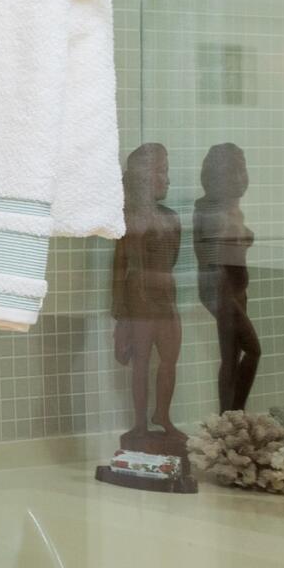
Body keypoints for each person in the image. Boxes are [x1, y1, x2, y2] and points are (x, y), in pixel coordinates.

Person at [109, 142, 184, 449]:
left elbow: (172, 259)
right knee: (140, 361)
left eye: (166, 171)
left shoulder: (171, 218)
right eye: (162, 172)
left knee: (170, 358)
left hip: (166, 296)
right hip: (139, 297)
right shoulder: (129, 218)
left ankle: (162, 415)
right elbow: (119, 265)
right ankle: (139, 423)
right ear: (144, 177)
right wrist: (120, 312)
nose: (168, 180)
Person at [193, 142, 260, 414]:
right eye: (234, 171)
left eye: (243, 170)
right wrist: (222, 297)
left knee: (231, 356)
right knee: (253, 350)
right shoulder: (212, 211)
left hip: (236, 289)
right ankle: (234, 415)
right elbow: (209, 260)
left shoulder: (232, 208)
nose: (242, 178)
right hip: (220, 289)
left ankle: (230, 417)